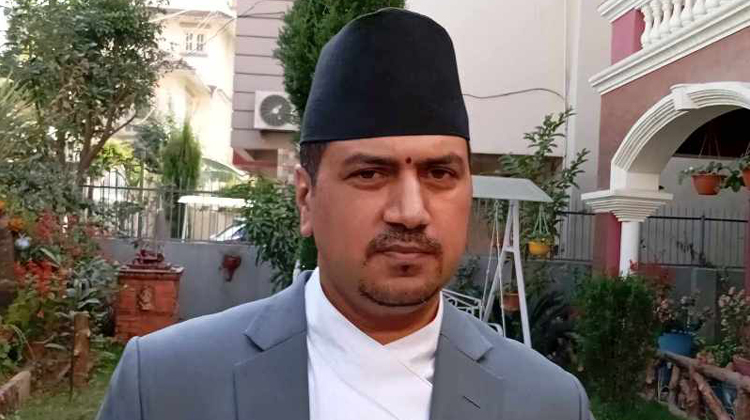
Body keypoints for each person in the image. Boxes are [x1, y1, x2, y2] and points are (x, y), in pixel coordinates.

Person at [96, 8, 590, 420]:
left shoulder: (547, 403)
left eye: (440, 173)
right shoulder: (164, 386)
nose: (411, 212)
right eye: (370, 174)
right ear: (306, 198)